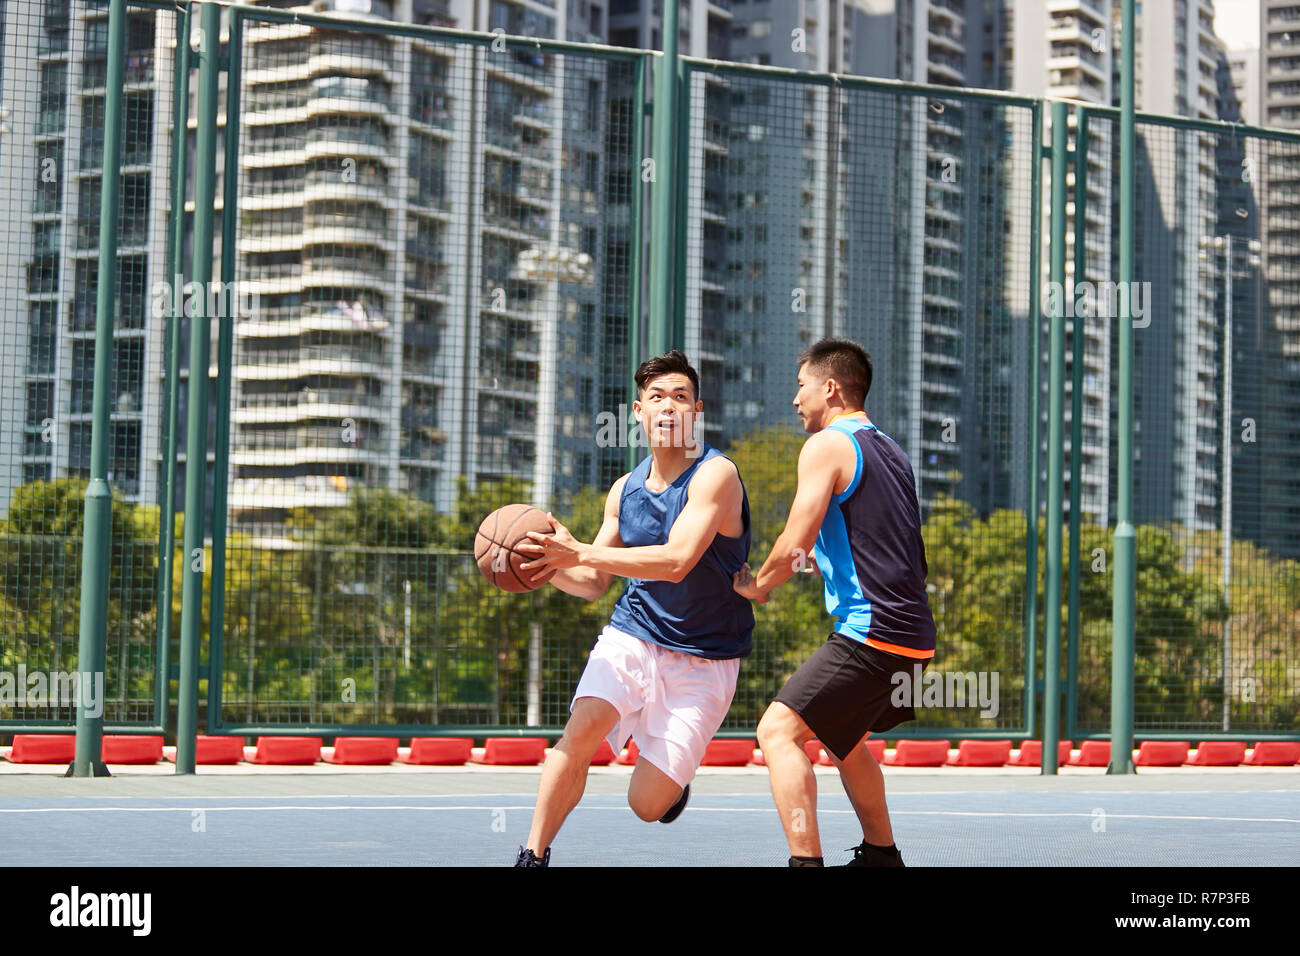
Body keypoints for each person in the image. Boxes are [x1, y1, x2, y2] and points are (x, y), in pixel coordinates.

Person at [510, 349, 754, 867]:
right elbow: (595, 581)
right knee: (576, 737)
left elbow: (676, 562)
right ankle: (532, 855)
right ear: (638, 412)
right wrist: (546, 567)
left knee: (646, 805)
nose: (669, 407)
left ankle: (672, 782)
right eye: (657, 397)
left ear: (697, 411)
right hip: (633, 634)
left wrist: (577, 550)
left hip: (704, 657)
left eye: (681, 397)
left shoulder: (717, 475)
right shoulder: (625, 490)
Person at [733, 338, 936, 867]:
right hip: (913, 638)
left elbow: (796, 539)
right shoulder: (892, 451)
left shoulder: (825, 445)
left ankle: (806, 863)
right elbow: (875, 545)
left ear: (830, 387)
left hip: (873, 633)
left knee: (776, 731)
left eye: (801, 386)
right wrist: (809, 567)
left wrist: (761, 584)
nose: (796, 399)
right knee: (844, 741)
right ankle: (881, 856)